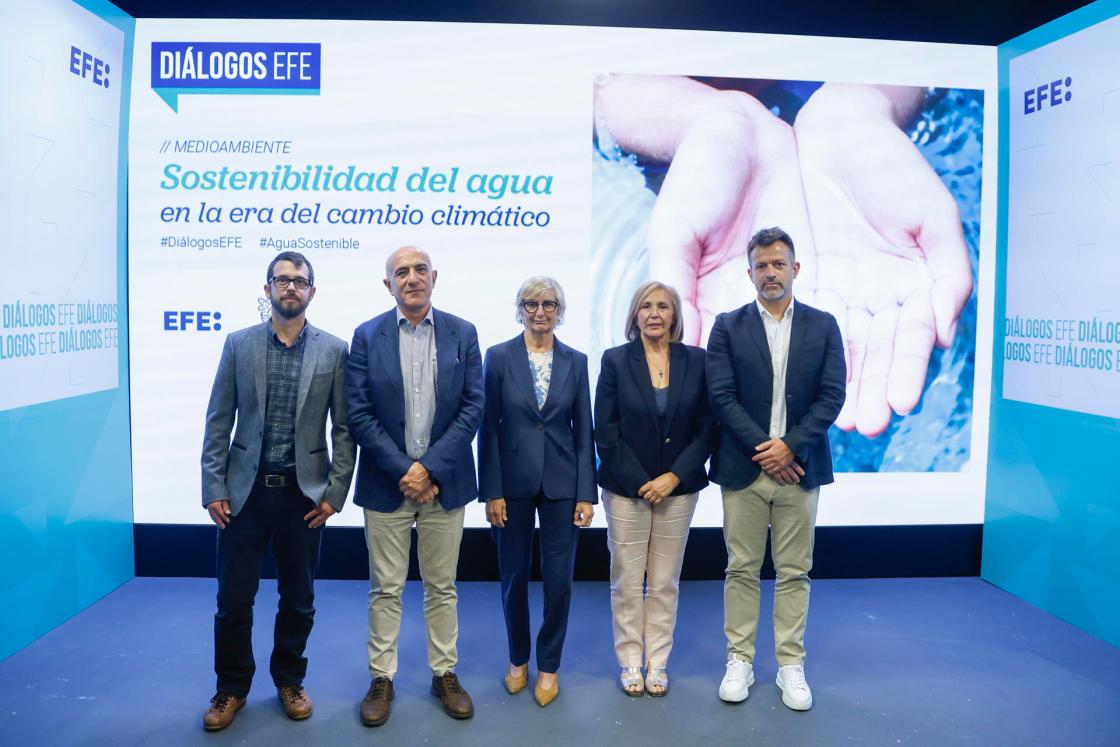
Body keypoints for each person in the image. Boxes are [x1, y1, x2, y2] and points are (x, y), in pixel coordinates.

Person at [594, 74, 972, 437]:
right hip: (692, 125)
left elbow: (928, 54)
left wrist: (869, 98)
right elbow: (593, 88)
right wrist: (700, 119)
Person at [200, 251, 355, 731]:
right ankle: (231, 688)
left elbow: (345, 429)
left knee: (299, 598)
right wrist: (213, 486)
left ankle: (290, 679)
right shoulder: (239, 344)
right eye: (281, 280)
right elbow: (218, 420)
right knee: (233, 600)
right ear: (267, 288)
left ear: (312, 291)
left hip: (302, 497)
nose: (290, 287)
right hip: (244, 494)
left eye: (299, 281)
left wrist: (335, 491)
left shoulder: (333, 350)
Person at [707, 227, 845, 711]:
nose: (770, 273)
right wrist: (768, 450)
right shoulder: (726, 326)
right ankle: (739, 659)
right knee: (740, 568)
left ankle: (790, 665)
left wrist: (791, 447)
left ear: (795, 269)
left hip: (800, 469)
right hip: (743, 471)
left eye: (778, 264)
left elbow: (832, 396)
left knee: (794, 571)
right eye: (761, 266)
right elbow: (721, 396)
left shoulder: (824, 325)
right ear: (749, 273)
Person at [346, 245, 483, 726]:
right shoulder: (366, 336)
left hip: (444, 486)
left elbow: (472, 407)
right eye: (400, 272)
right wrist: (405, 469)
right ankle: (381, 678)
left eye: (419, 269)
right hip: (388, 486)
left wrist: (430, 470)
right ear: (388, 285)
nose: (411, 278)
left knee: (442, 587)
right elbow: (358, 413)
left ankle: (444, 672)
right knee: (386, 588)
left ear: (434, 277)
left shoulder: (463, 334)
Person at [478, 277, 596, 707]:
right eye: (531, 303)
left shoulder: (577, 361)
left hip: (564, 485)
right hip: (511, 485)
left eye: (549, 303)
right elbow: (487, 429)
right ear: (520, 308)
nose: (540, 311)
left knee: (559, 581)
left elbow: (584, 431)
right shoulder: (499, 357)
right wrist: (491, 489)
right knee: (513, 577)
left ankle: (548, 665)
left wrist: (587, 493)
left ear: (560, 310)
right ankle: (517, 659)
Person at [594, 281, 713, 697]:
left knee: (664, 580)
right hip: (627, 490)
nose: (655, 313)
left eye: (663, 306)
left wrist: (673, 477)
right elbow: (605, 432)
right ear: (635, 315)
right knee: (627, 579)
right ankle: (630, 661)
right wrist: (641, 481)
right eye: (646, 306)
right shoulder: (614, 361)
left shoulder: (697, 361)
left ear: (675, 316)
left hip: (678, 490)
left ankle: (657, 663)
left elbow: (705, 429)